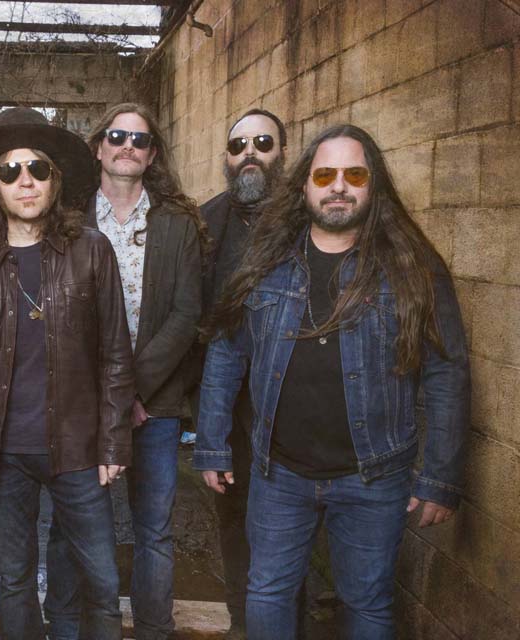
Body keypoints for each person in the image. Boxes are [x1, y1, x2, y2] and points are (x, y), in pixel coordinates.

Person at [193, 124, 471, 640]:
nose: (338, 186)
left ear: (373, 184)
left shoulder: (412, 266)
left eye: (354, 175)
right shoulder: (266, 260)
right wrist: (212, 444)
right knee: (267, 591)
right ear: (305, 184)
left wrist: (440, 477)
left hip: (374, 476)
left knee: (366, 603)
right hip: (279, 473)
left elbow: (446, 371)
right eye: (324, 175)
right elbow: (226, 353)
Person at [0, 106, 134, 640]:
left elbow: (116, 354)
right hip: (5, 454)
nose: (25, 181)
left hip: (79, 449)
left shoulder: (92, 251)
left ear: (55, 181)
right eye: (10, 171)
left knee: (101, 579)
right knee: (15, 582)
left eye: (37, 169)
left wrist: (114, 442)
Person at [42, 102, 206, 640]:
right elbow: (57, 316)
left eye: (139, 139)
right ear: (98, 147)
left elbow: (186, 315)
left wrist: (129, 391)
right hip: (82, 404)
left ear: (152, 154)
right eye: (117, 136)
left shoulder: (178, 224)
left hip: (154, 405)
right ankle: (67, 627)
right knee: (71, 525)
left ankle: (154, 630)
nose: (127, 146)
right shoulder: (68, 220)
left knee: (153, 530)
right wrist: (105, 396)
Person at [199, 108, 287, 638]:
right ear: (227, 159)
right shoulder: (207, 223)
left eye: (262, 142)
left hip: (293, 410)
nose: (249, 152)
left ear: (282, 153)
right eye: (238, 145)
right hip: (229, 409)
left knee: (285, 533)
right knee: (233, 523)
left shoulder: (307, 219)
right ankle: (241, 623)